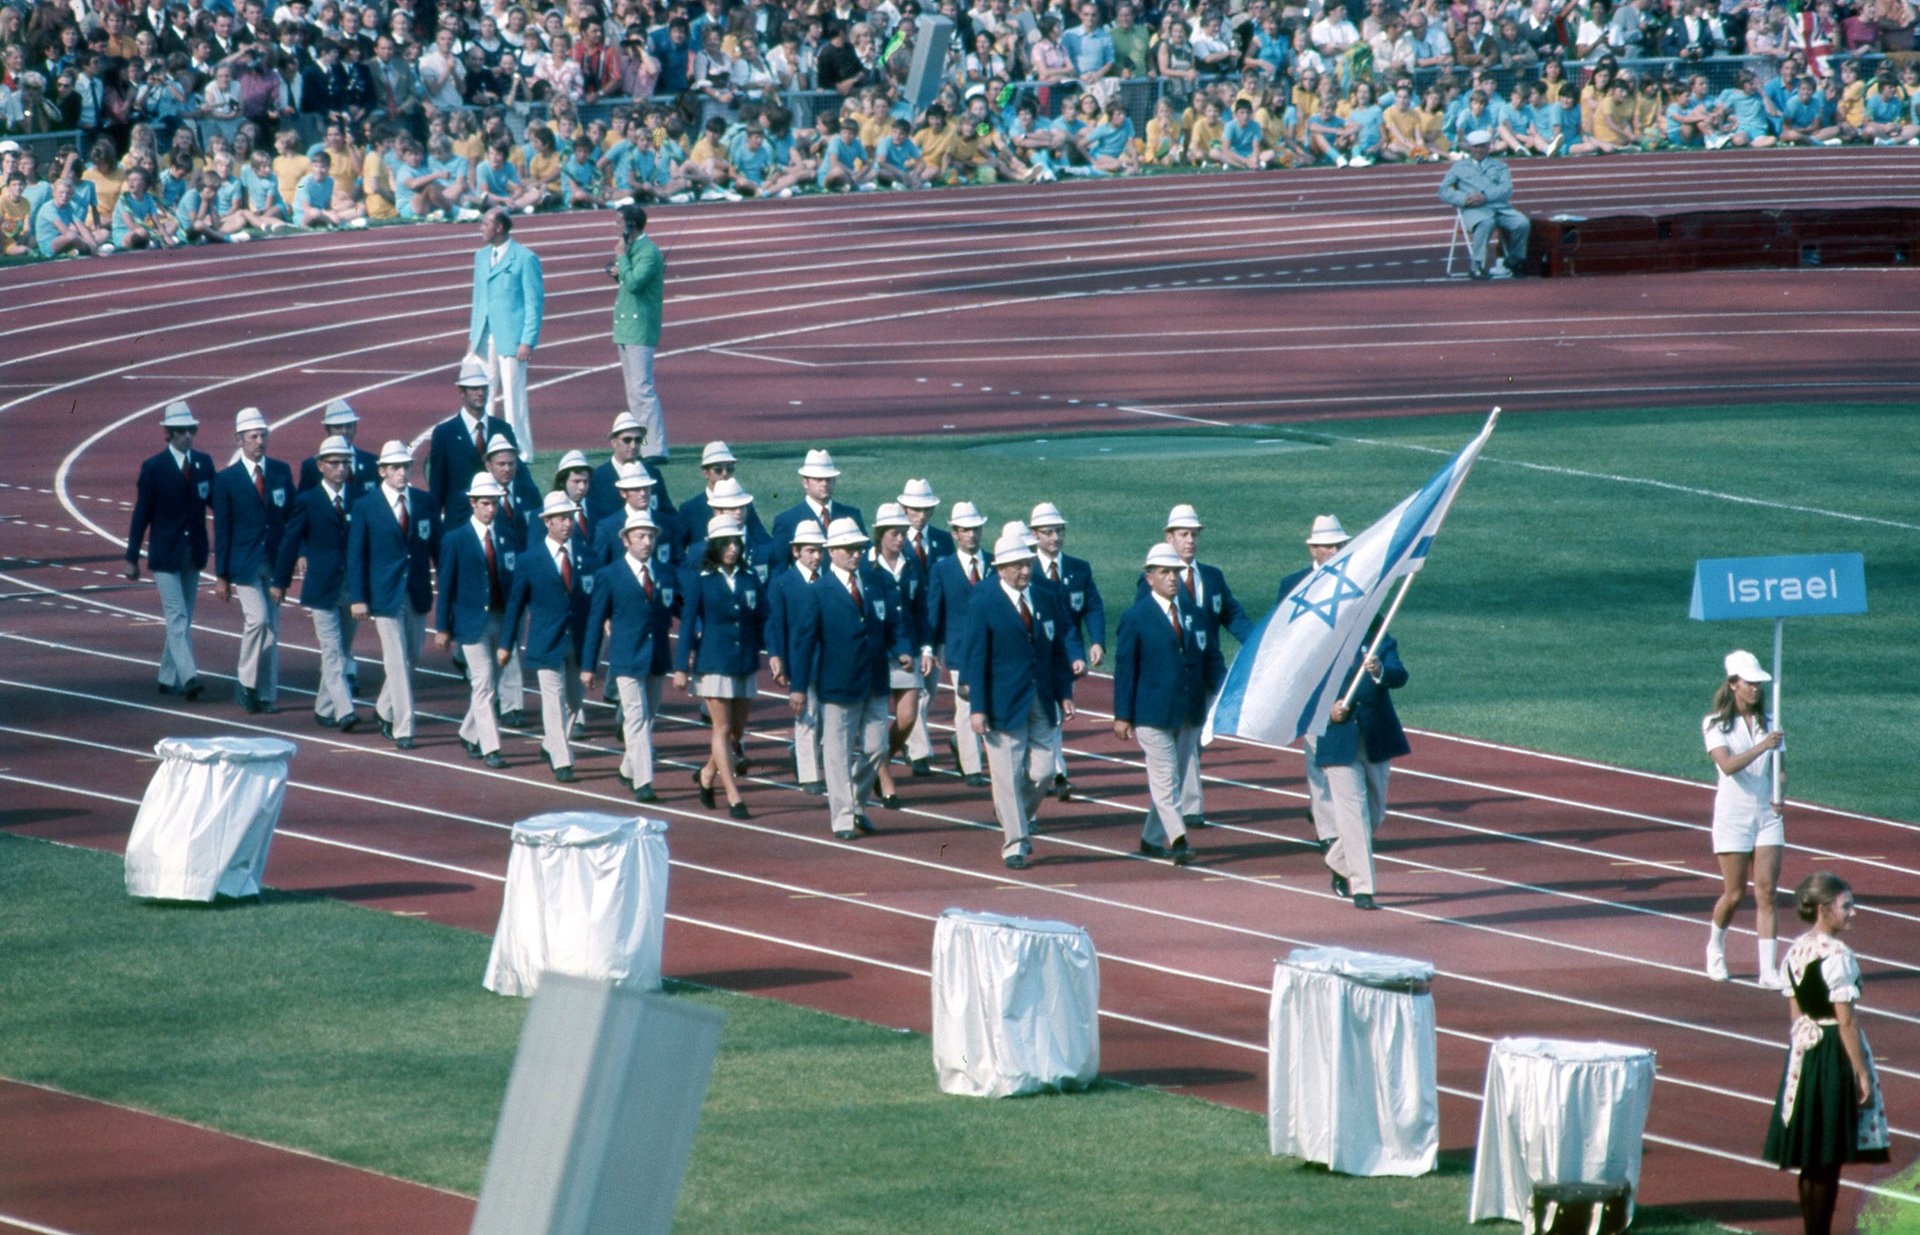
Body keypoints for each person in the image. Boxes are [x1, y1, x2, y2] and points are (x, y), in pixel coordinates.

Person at [1762, 871, 1890, 1235]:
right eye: (1845, 906)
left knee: (1812, 1159)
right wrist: (1861, 1072)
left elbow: (1796, 1014)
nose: (1853, 912)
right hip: (1833, 1053)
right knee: (1827, 1157)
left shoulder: (1796, 949)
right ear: (1823, 909)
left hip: (1805, 1055)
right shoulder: (1838, 955)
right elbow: (1846, 1021)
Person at [788, 518, 913, 840]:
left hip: (874, 680)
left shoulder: (874, 582)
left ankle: (856, 801)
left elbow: (893, 624)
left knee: (876, 747)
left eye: (858, 548)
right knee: (837, 754)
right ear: (832, 552)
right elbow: (803, 643)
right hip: (837, 684)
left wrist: (901, 650)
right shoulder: (819, 592)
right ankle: (843, 817)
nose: (856, 554)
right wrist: (799, 688)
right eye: (848, 549)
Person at [963, 528, 1076, 870]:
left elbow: (1056, 651)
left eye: (1027, 563)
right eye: (1016, 566)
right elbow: (976, 658)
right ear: (1000, 569)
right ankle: (1015, 842)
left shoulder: (1045, 597)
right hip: (1002, 703)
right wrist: (978, 708)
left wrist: (1065, 692)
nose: (1025, 571)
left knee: (1042, 773)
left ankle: (1015, 819)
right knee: (1006, 775)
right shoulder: (984, 603)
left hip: (1041, 698)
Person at [1137, 503, 1249, 831]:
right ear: (1169, 537)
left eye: (1194, 534)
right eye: (1184, 534)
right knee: (1179, 746)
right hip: (1173, 678)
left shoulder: (1212, 577)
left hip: (1208, 671)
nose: (1190, 541)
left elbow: (1233, 615)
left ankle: (1181, 808)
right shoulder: (1151, 583)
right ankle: (1187, 809)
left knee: (1193, 741)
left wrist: (1258, 641)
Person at [1113, 543, 1225, 866]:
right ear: (1149, 578)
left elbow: (1211, 658)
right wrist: (1122, 714)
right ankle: (1178, 839)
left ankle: (1150, 838)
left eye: (1175, 571)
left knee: (1170, 780)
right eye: (1164, 572)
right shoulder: (1136, 617)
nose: (1172, 577)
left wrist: (1225, 692)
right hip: (1151, 713)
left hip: (1188, 712)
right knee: (1165, 778)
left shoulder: (1193, 614)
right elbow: (1125, 669)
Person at [1308, 614, 1410, 912]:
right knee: (1353, 814)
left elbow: (1400, 673)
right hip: (1338, 739)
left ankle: (1337, 859)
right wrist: (1328, 710)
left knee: (1374, 813)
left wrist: (1380, 672)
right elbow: (1302, 689)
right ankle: (1363, 888)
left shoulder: (1377, 633)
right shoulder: (1319, 639)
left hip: (1376, 735)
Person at [583, 508, 680, 803]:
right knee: (635, 718)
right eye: (640, 536)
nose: (647, 541)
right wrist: (589, 665)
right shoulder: (609, 575)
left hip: (657, 657)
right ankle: (644, 781)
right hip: (626, 658)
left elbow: (678, 606)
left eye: (650, 536)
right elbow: (595, 621)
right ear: (626, 540)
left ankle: (628, 768)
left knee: (648, 716)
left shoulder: (664, 572)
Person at [347, 439, 438, 751]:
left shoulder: (424, 502)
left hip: (417, 591)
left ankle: (384, 708)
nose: (403, 472)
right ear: (382, 471)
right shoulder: (366, 506)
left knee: (412, 655)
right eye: (396, 467)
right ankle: (404, 726)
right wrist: (358, 597)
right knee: (396, 661)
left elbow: (436, 549)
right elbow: (356, 555)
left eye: (406, 466)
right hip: (385, 595)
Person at [676, 515, 769, 817]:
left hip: (743, 661)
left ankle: (706, 773)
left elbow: (762, 618)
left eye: (736, 542)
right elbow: (689, 623)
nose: (732, 548)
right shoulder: (701, 580)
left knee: (736, 733)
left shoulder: (749, 576)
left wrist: (776, 654)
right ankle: (733, 795)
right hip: (713, 661)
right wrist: (681, 666)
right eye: (726, 543)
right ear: (714, 546)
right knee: (723, 727)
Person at [1705, 649, 1788, 987]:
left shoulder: (1772, 721)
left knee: (1767, 892)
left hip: (1767, 814)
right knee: (1735, 892)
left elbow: (1780, 769)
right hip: (1732, 815)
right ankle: (1716, 947)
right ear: (1733, 685)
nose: (1755, 689)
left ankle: (1767, 969)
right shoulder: (1714, 724)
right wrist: (1763, 745)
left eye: (1758, 684)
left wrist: (1780, 793)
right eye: (1749, 683)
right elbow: (1727, 765)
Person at [125, 401, 215, 700]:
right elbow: (142, 514)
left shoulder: (204, 464)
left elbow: (216, 502)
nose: (187, 436)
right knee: (177, 617)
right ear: (168, 434)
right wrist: (131, 557)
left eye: (191, 430)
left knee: (184, 617)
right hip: (165, 554)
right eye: (180, 431)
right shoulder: (154, 468)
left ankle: (166, 675)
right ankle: (189, 677)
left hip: (194, 552)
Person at [502, 491, 594, 783]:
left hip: (577, 640)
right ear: (548, 522)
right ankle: (562, 760)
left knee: (574, 701)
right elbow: (515, 604)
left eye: (570, 517)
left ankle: (551, 744)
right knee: (553, 699)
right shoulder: (530, 560)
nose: (568, 524)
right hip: (546, 640)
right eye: (561, 519)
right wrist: (506, 643)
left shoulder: (585, 556)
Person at [272, 434, 361, 731]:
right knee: (332, 652)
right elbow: (290, 541)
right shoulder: (307, 501)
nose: (340, 469)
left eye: (344, 463)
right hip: (322, 589)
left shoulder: (357, 498)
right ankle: (344, 708)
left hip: (351, 589)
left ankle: (324, 707)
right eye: (334, 463)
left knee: (342, 650)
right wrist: (280, 581)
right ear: (321, 466)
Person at [211, 407, 293, 714]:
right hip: (244, 564)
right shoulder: (227, 480)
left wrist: (297, 553)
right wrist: (221, 575)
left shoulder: (281, 472)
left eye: (262, 435)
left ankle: (267, 694)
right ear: (239, 440)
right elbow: (222, 529)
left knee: (272, 627)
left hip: (274, 561)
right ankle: (246, 683)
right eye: (253, 436)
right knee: (257, 619)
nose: (260, 441)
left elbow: (292, 516)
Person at [436, 475, 515, 769]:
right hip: (471, 624)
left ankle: (469, 732)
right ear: (473, 503)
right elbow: (446, 587)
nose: (490, 509)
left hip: (500, 617)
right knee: (483, 682)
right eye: (485, 503)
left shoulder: (506, 535)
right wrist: (443, 627)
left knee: (490, 681)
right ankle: (490, 746)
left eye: (494, 503)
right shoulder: (455, 539)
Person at [1028, 501, 1104, 799]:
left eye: (1059, 531)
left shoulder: (1078, 569)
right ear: (1035, 534)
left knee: (1055, 715)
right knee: (1049, 715)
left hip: (1065, 655)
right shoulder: (1025, 569)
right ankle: (1056, 773)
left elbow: (1092, 606)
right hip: (1037, 655)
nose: (1055, 538)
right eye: (1048, 532)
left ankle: (1052, 771)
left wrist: (1096, 641)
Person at [866, 502, 935, 806]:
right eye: (894, 533)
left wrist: (925, 647)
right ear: (881, 535)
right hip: (879, 653)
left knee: (907, 718)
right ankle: (883, 776)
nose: (900, 539)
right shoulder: (867, 569)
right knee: (879, 720)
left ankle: (879, 762)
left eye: (903, 533)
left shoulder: (912, 565)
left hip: (908, 649)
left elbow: (921, 610)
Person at [468, 207, 545, 456]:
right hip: (484, 335)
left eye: (485, 223)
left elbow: (534, 303)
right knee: (483, 394)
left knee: (513, 396)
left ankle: (521, 449)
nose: (481, 228)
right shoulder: (481, 257)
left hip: (511, 337)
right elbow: (478, 298)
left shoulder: (524, 258)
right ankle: (489, 446)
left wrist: (527, 340)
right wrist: (472, 337)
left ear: (499, 227)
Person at [927, 500, 992, 785]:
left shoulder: (994, 563)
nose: (971, 535)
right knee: (965, 706)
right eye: (965, 530)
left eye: (976, 529)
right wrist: (929, 647)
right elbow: (934, 611)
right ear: (954, 533)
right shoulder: (942, 570)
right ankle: (972, 768)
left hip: (993, 648)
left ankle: (972, 753)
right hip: (959, 649)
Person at [766, 518, 827, 795]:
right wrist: (777, 656)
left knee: (827, 720)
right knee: (807, 717)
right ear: (796, 552)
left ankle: (805, 757)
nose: (816, 556)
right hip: (800, 660)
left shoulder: (829, 580)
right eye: (810, 551)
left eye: (819, 551)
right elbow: (775, 623)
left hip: (830, 661)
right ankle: (809, 774)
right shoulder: (783, 584)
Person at [608, 203, 670, 464]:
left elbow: (634, 283)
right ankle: (642, 445)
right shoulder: (635, 249)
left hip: (639, 327)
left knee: (642, 389)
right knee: (633, 393)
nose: (615, 226)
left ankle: (655, 448)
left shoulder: (648, 251)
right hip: (626, 326)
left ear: (631, 225)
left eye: (619, 221)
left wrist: (621, 259)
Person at [428, 358, 519, 525]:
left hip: (498, 523)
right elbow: (437, 487)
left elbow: (518, 476)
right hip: (459, 523)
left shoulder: (503, 429)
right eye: (475, 388)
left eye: (484, 388)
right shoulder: (444, 434)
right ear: (462, 393)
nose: (481, 393)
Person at [1437, 128, 1529, 280]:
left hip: (1498, 207)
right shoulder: (1459, 167)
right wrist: (1464, 198)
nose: (1479, 150)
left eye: (1482, 146)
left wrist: (1486, 197)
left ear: (1488, 147)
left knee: (1522, 223)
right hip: (1474, 210)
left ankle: (1514, 261)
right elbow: (1443, 191)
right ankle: (1477, 265)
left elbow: (1506, 190)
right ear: (1470, 148)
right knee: (1486, 222)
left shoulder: (1500, 166)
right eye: (1476, 146)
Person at [769, 448, 864, 572]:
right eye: (818, 479)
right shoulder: (787, 520)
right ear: (805, 483)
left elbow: (865, 555)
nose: (824, 484)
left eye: (829, 479)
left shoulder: (851, 515)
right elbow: (778, 568)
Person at [299, 398, 379, 499]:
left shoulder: (371, 462)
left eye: (349, 426)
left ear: (355, 428)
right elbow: (304, 501)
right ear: (327, 429)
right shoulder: (311, 466)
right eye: (338, 427)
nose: (344, 431)